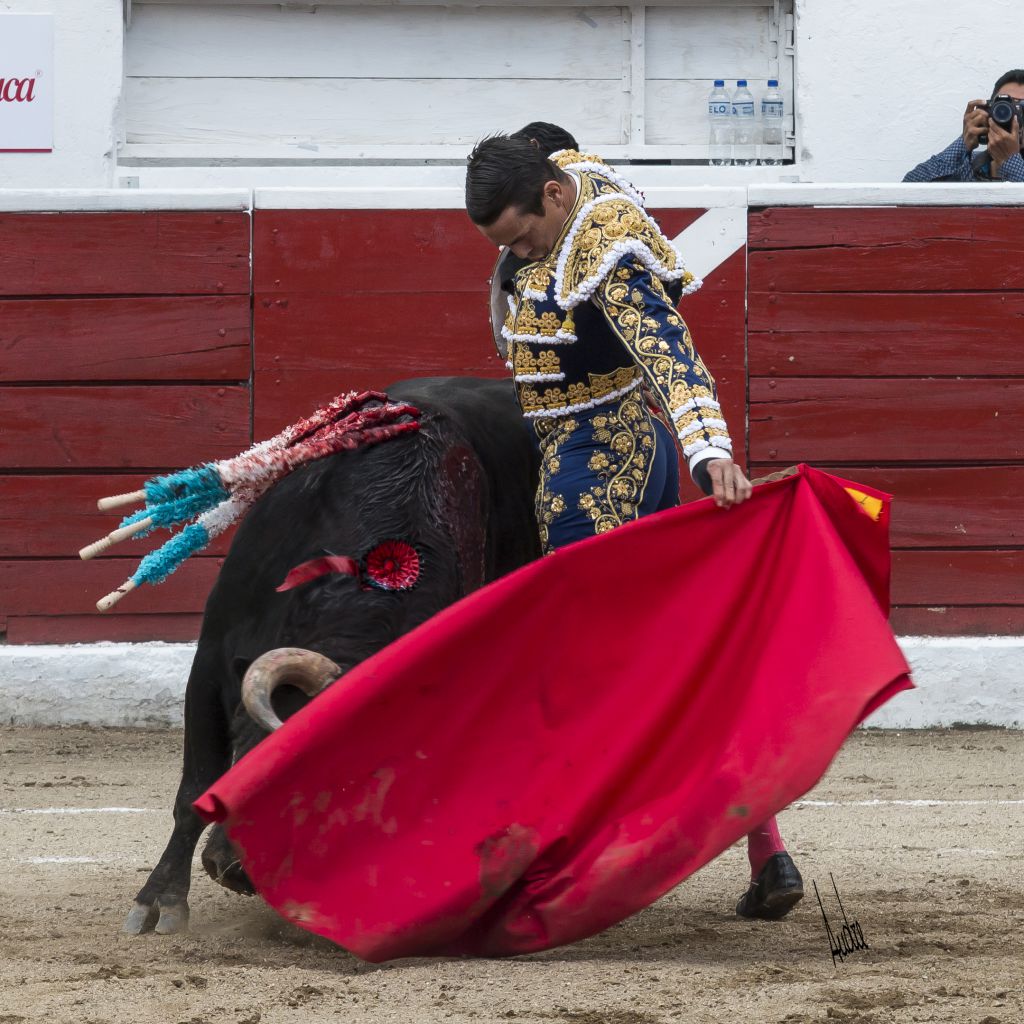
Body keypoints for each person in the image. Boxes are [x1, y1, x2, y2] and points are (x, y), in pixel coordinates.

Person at [466, 134, 804, 920]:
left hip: (597, 465)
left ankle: (576, 855)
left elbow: (670, 353)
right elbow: (564, 151)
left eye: (520, 236)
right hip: (623, 444)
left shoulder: (603, 248)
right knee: (676, 655)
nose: (516, 256)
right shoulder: (566, 189)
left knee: (590, 665)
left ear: (552, 196)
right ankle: (768, 850)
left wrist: (711, 450)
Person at [903, 69, 1024, 182]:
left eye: (1021, 109)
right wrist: (963, 143)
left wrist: (1009, 160)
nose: (1015, 117)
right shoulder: (968, 166)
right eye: (1006, 107)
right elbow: (908, 191)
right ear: (989, 112)